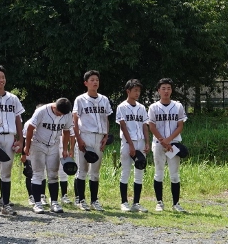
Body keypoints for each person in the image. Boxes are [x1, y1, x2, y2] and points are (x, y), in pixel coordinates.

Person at [0, 65, 24, 216]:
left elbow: (18, 118)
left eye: (3, 77)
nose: (1, 80)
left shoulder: (13, 98)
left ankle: (5, 204)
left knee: (6, 172)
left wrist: (20, 140)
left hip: (9, 137)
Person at [23, 98, 73, 214]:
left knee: (53, 174)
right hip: (38, 144)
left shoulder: (67, 114)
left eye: (63, 114)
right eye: (59, 113)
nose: (61, 115)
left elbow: (66, 131)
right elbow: (30, 128)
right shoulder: (42, 111)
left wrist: (65, 149)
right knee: (38, 174)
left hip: (54, 145)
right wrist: (27, 146)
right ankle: (37, 203)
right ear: (54, 107)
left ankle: (54, 202)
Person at [72, 70, 112, 211]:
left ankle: (94, 200)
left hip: (99, 137)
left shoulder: (104, 99)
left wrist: (106, 136)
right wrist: (78, 138)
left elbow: (106, 118)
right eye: (92, 80)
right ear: (86, 83)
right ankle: (81, 200)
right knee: (82, 170)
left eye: (97, 80)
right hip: (85, 135)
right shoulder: (80, 99)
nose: (95, 82)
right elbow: (75, 120)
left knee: (95, 171)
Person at [148, 78, 187, 212]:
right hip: (158, 144)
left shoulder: (178, 106)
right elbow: (152, 126)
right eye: (163, 88)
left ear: (172, 90)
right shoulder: (153, 107)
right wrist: (163, 141)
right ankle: (159, 202)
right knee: (158, 173)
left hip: (174, 144)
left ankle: (176, 204)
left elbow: (180, 125)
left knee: (174, 174)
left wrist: (169, 140)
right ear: (158, 90)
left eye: (168, 88)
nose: (166, 91)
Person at [116, 79, 150, 212]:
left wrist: (147, 142)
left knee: (139, 172)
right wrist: (130, 145)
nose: (137, 93)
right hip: (127, 142)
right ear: (128, 91)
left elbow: (145, 126)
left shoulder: (141, 107)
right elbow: (123, 126)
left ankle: (136, 203)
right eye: (135, 90)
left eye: (139, 91)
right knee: (125, 171)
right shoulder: (122, 107)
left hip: (140, 142)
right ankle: (124, 202)